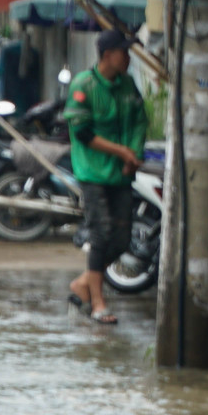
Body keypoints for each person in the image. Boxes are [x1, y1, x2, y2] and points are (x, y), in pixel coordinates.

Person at [63, 28, 146, 326]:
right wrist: (121, 152)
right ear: (108, 55)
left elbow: (140, 120)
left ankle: (83, 283)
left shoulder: (128, 85)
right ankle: (98, 303)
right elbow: (82, 132)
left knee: (122, 238)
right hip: (92, 171)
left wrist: (132, 153)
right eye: (124, 52)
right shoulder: (83, 84)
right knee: (101, 232)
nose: (128, 57)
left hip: (121, 174)